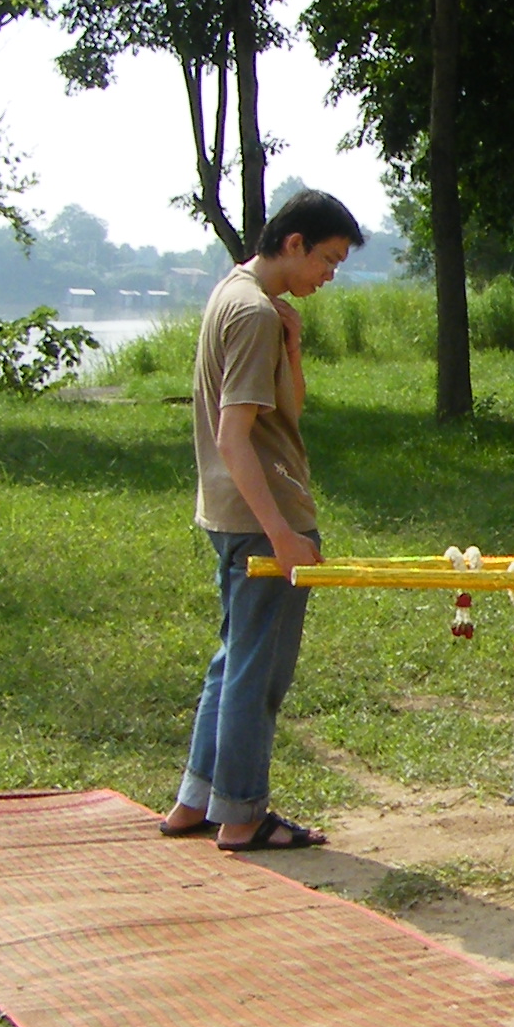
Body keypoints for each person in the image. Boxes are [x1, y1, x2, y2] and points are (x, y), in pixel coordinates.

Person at [162, 191, 363, 851]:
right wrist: (280, 533)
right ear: (294, 243)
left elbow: (286, 413)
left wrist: (294, 349)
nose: (328, 276)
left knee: (234, 661)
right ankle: (243, 814)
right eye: (327, 260)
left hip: (232, 514)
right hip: (261, 517)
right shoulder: (252, 312)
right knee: (259, 673)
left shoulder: (239, 296)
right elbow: (233, 435)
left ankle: (196, 801)